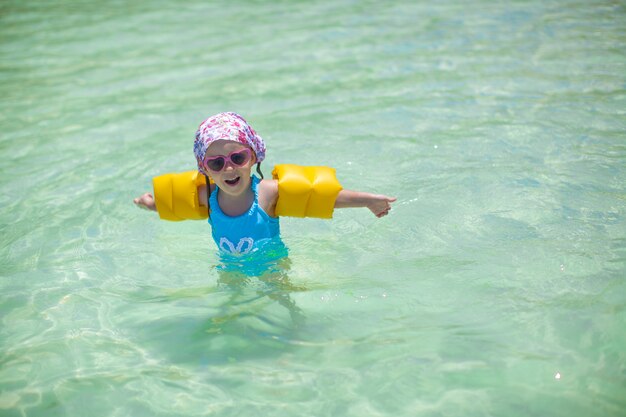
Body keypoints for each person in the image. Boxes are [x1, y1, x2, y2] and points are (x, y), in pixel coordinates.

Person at [134, 112, 396, 254]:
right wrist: (151, 204)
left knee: (282, 306)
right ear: (204, 168)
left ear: (254, 156)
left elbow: (321, 196)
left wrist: (369, 201)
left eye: (238, 157)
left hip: (272, 266)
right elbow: (177, 204)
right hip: (230, 266)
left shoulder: (266, 193)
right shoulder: (208, 197)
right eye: (216, 163)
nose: (229, 168)